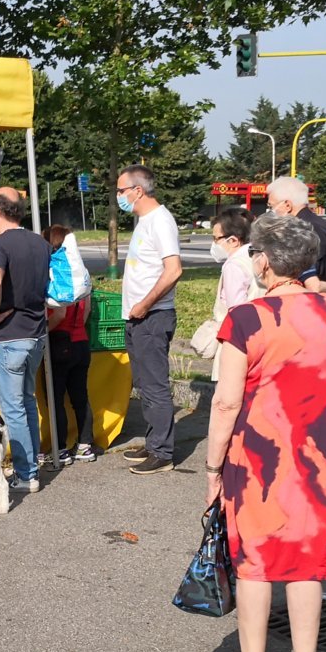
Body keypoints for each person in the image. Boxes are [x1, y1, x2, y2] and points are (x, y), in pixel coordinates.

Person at [203, 215, 326, 652]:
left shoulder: (245, 319)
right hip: (318, 457)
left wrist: (212, 468)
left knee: (255, 563)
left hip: (258, 459)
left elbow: (226, 402)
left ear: (265, 262)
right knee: (307, 564)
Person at [0, 186, 51, 491]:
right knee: (27, 403)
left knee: (13, 409)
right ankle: (31, 468)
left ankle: (26, 475)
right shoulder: (40, 243)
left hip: (9, 337)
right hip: (36, 333)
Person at [118, 163, 182, 475]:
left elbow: (174, 270)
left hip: (152, 316)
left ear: (138, 190)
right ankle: (154, 440)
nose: (119, 196)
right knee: (144, 383)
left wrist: (144, 304)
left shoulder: (160, 221)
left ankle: (162, 453)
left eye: (121, 190)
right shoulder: (144, 221)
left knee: (155, 385)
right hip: (138, 316)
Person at [45, 225, 95, 466]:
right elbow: (86, 311)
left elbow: (59, 313)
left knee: (55, 398)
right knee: (80, 397)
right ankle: (85, 445)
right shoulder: (81, 274)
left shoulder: (57, 273)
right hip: (81, 341)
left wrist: (42, 330)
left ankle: (60, 448)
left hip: (59, 342)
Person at [204, 210, 259, 382]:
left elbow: (236, 309)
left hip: (236, 339)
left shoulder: (234, 265)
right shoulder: (258, 257)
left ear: (233, 240)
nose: (214, 244)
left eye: (216, 239)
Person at [266, 175, 326, 295]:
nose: (271, 211)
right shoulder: (325, 226)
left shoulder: (297, 233)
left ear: (287, 205)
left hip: (307, 302)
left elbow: (313, 286)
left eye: (271, 206)